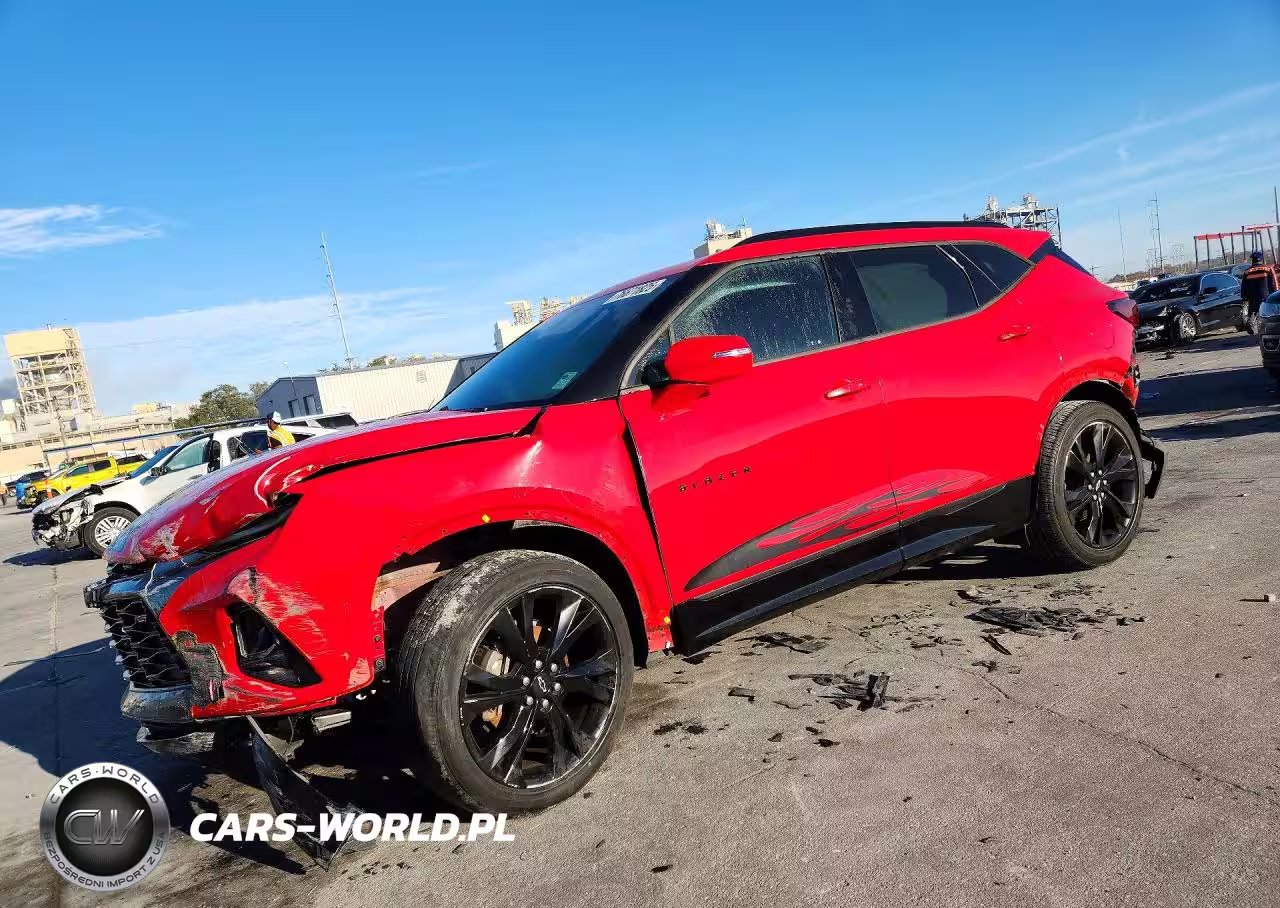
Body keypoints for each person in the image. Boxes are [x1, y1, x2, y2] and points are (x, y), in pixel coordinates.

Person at [1240, 251, 1278, 332]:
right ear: (1261, 260)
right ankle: (1267, 328)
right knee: (1267, 313)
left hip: (1252, 296)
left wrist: (1244, 296)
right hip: (1265, 295)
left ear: (1252, 260)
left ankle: (1251, 323)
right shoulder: (1268, 269)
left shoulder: (1247, 272)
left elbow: (1244, 286)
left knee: (1253, 311)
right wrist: (1275, 293)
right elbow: (1273, 284)